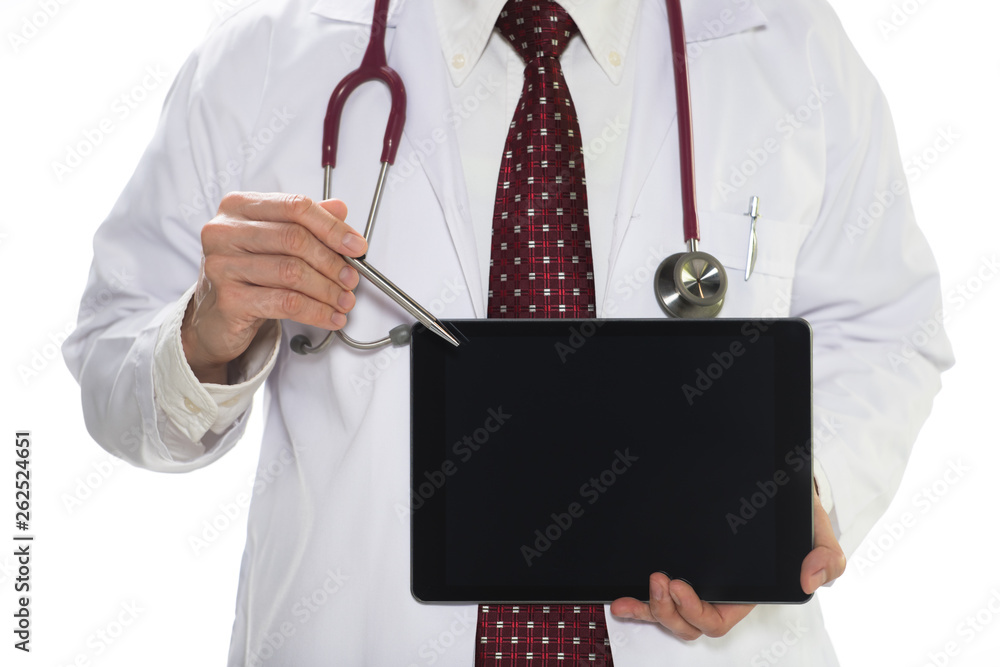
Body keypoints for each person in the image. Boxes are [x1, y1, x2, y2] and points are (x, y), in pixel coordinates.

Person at [63, 0, 953, 664]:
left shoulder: (783, 44)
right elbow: (112, 350)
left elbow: (889, 324)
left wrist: (800, 482)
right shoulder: (265, 56)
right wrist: (206, 332)